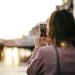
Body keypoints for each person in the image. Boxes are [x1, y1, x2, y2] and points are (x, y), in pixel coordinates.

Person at [27, 9, 75, 75]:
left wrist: (37, 47)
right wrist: (50, 44)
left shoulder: (44, 52)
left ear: (51, 28)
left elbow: (30, 72)